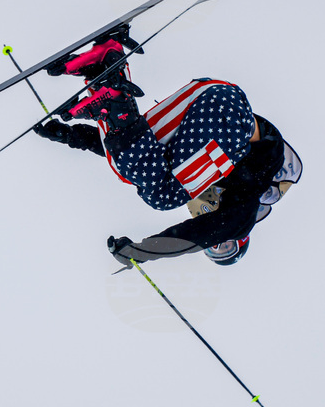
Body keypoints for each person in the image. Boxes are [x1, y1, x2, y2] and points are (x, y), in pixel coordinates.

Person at [34, 28, 302, 267]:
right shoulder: (246, 202)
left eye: (213, 251)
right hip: (231, 122)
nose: (215, 244)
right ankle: (114, 100)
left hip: (212, 96)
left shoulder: (200, 168)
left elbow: (140, 150)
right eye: (224, 245)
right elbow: (212, 229)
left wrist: (71, 136)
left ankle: (105, 64)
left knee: (139, 162)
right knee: (163, 196)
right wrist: (145, 251)